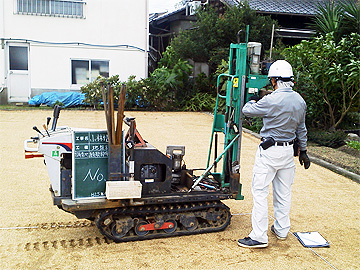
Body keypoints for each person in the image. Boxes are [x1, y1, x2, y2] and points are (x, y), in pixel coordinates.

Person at [238, 60, 310, 248]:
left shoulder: (271, 99)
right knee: (284, 192)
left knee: (260, 192)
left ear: (274, 81)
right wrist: (304, 151)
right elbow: (301, 129)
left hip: (270, 151)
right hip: (288, 152)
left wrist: (252, 99)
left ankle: (259, 237)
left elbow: (247, 111)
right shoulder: (300, 100)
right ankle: (281, 229)